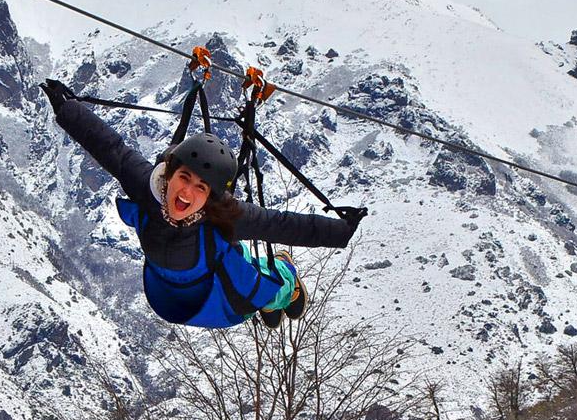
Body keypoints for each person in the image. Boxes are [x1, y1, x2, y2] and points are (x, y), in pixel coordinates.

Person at [40, 79, 364, 329]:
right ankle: (276, 281)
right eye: (184, 177)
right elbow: (111, 148)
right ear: (170, 173)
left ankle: (285, 283)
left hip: (207, 294)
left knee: (255, 274)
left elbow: (280, 224)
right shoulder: (148, 187)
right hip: (182, 298)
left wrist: (340, 231)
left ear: (210, 196)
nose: (187, 192)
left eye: (201, 187)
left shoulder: (224, 216)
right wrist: (67, 109)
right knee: (243, 266)